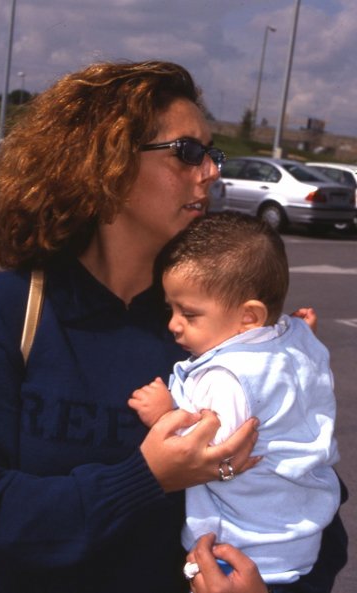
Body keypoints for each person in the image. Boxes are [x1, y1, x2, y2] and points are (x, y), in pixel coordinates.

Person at [0, 61, 346, 593]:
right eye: (187, 152)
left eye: (211, 153)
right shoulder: (8, 311)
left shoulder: (224, 326)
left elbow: (312, 503)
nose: (211, 171)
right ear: (106, 165)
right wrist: (144, 478)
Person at [129, 212, 344, 588]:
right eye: (171, 309)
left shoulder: (225, 377)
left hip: (239, 547)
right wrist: (300, 332)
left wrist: (165, 414)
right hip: (297, 538)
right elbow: (291, 340)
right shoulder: (290, 337)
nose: (173, 324)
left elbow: (216, 454)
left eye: (189, 314)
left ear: (249, 317)